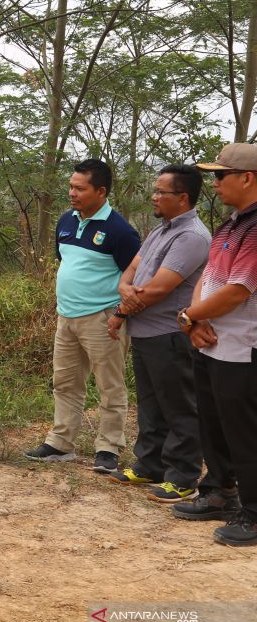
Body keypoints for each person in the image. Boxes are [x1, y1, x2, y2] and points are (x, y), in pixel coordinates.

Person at [25, 159, 141, 473]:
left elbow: (135, 279)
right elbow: (67, 261)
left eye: (80, 188)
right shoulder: (66, 221)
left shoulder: (120, 231)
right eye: (71, 186)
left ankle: (108, 448)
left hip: (104, 319)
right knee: (64, 382)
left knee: (110, 386)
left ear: (101, 191)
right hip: (67, 317)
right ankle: (60, 443)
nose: (72, 192)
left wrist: (119, 313)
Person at [106, 165, 210, 503]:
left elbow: (160, 288)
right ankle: (151, 464)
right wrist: (125, 288)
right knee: (151, 403)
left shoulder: (191, 236)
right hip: (147, 332)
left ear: (182, 198)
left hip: (170, 333)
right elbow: (133, 270)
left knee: (179, 405)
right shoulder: (160, 230)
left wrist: (122, 309)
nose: (154, 196)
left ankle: (183, 476)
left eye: (160, 192)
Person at [173, 144, 257, 546]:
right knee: (214, 423)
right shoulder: (229, 225)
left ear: (247, 178)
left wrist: (193, 317)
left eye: (221, 175)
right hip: (212, 343)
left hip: (245, 346)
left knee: (245, 431)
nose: (215, 183)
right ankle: (220, 491)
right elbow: (207, 280)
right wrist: (191, 320)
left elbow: (239, 290)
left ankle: (254, 513)